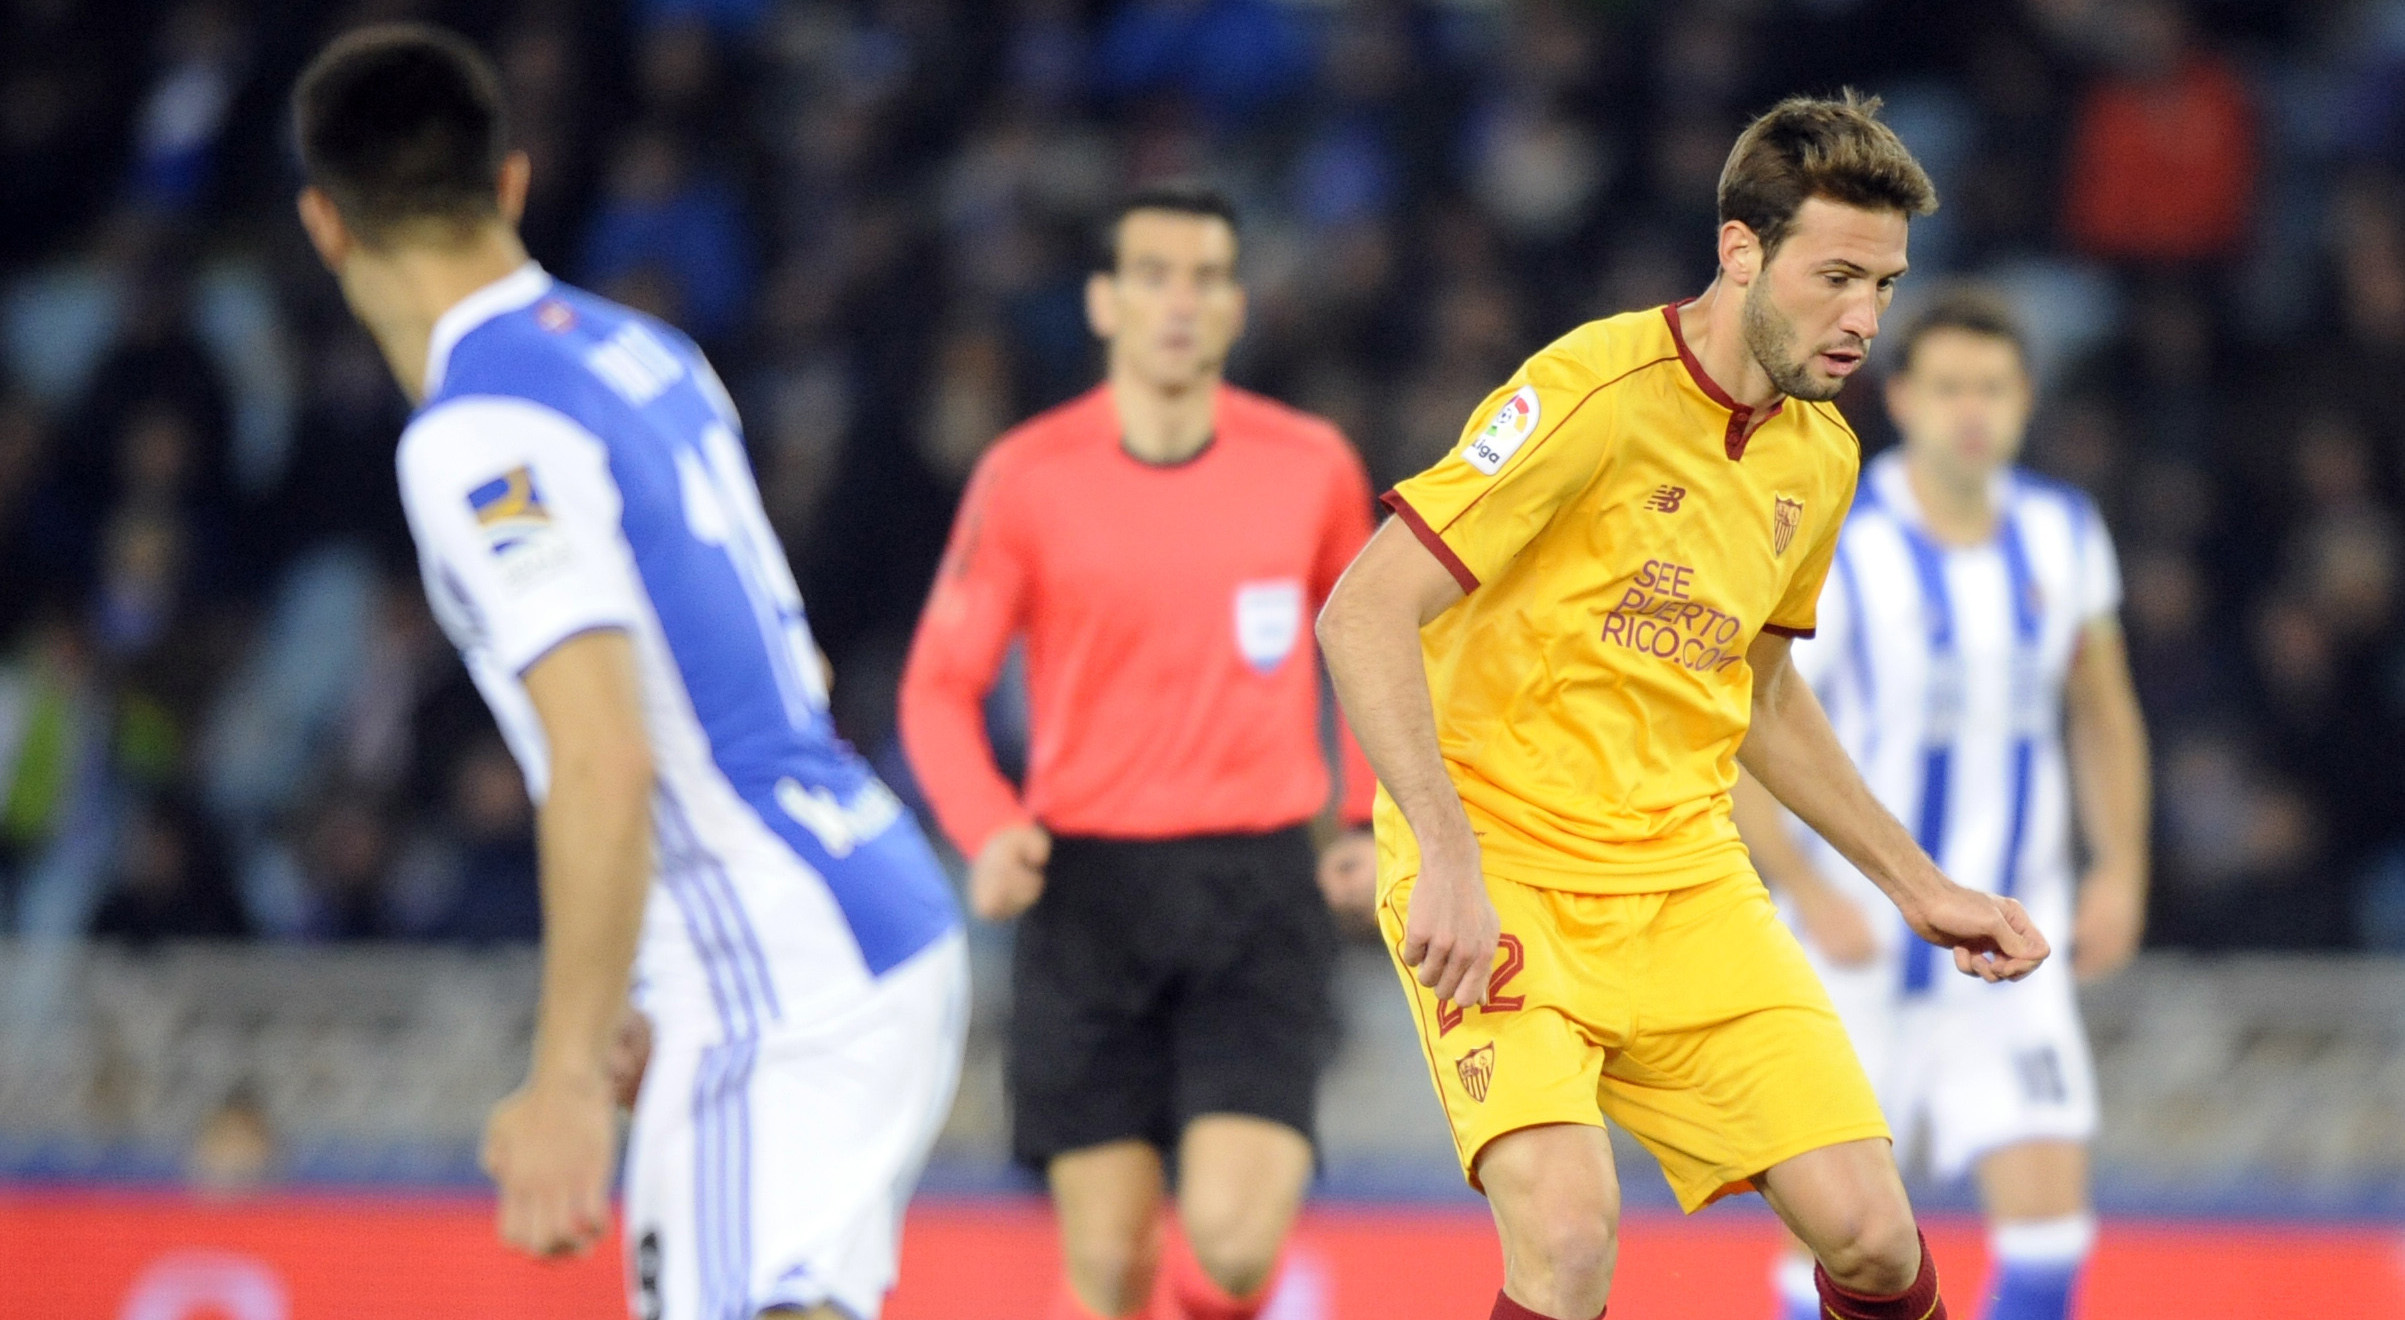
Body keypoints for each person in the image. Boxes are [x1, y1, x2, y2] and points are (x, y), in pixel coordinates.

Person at [1315, 92, 2053, 1320]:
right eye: (1834, 278)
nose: (1864, 318)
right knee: (1565, 1238)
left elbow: (1754, 692)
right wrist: (1440, 851)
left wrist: (1916, 884)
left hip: (1681, 882)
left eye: (1883, 284)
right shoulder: (1589, 391)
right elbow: (1360, 611)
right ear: (1739, 251)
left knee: (1873, 1237)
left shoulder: (1819, 457)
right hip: (1503, 875)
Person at [290, 26, 966, 1320]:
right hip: (862, 900)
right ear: (512, 184)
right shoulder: (649, 355)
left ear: (326, 225)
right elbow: (780, 659)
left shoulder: (479, 428)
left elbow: (606, 756)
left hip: (770, 963)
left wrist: (560, 1078)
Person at [898, 182, 1378, 1320]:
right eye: (1153, 275)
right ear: (1102, 303)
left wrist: (1363, 822)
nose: (1181, 300)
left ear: (1236, 305)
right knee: (1107, 1267)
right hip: (1088, 894)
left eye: (1206, 277)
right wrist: (988, 827)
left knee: (1230, 1248)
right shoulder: (1028, 475)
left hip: (1257, 886)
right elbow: (936, 687)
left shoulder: (1308, 464)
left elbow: (1370, 657)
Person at [1732, 291, 2148, 1320]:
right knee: (1832, 1253)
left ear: (2023, 401)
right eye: (1951, 387)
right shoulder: (1835, 529)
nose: (1973, 410)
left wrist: (2121, 869)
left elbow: (2101, 713)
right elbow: (1743, 719)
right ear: (1904, 397)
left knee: (2050, 1243)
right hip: (1847, 944)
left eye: (1994, 389)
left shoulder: (2061, 533)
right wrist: (1796, 887)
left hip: (2006, 946)